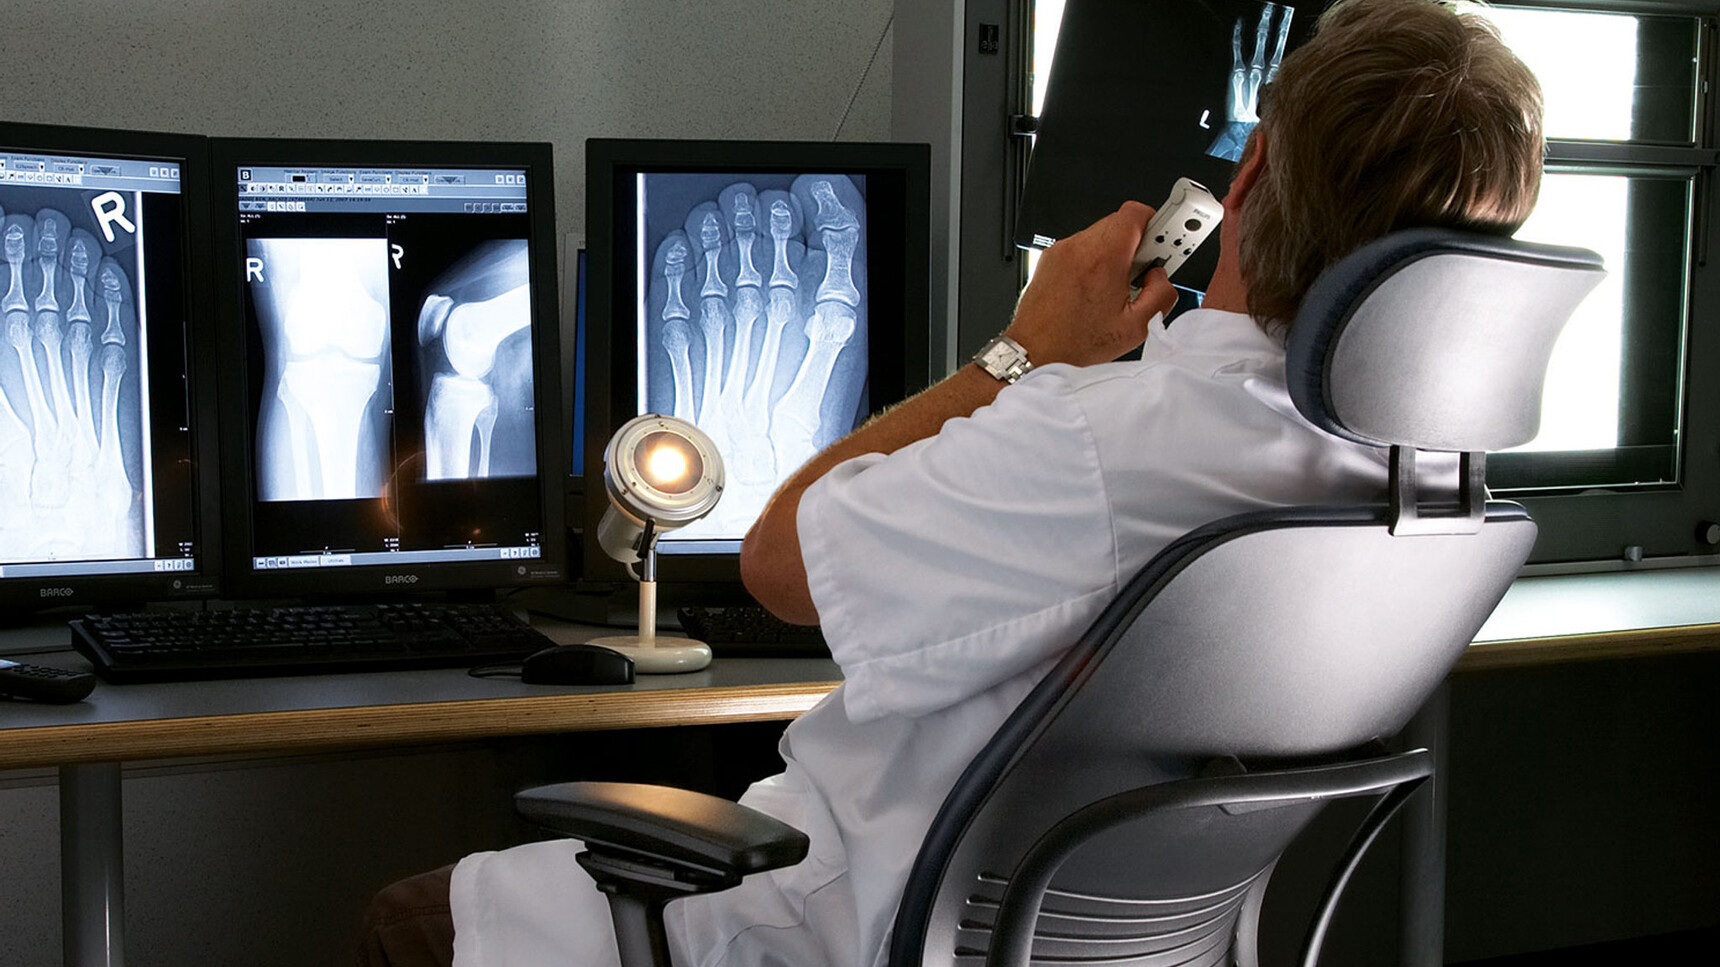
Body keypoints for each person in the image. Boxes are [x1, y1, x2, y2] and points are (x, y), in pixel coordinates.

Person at [358, 1, 1545, 964]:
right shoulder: (1428, 497)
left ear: (1245, 180)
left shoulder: (1109, 437)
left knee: (407, 922)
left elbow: (776, 565)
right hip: (1114, 949)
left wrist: (1024, 349)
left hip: (852, 925)